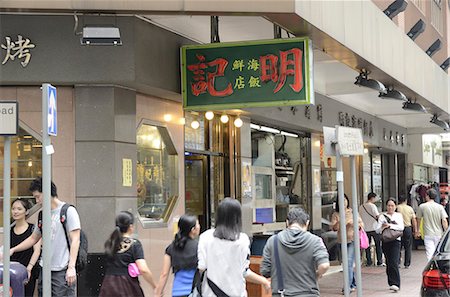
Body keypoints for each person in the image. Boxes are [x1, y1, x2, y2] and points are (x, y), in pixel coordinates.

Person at [9, 177, 81, 297]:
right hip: (45, 269)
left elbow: (75, 240)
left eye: (38, 196)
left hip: (62, 270)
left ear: (47, 193)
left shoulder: (68, 211)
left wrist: (71, 267)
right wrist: (13, 249)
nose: (37, 201)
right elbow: (33, 238)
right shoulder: (43, 214)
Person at [197, 198, 270, 296]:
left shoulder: (205, 237)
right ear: (237, 217)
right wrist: (264, 281)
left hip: (210, 293)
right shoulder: (242, 240)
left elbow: (201, 267)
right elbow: (244, 272)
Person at [260, 207, 330, 296]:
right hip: (308, 293)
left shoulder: (273, 241)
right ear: (307, 223)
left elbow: (265, 271)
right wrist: (318, 274)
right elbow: (324, 265)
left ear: (287, 222)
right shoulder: (315, 241)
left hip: (282, 294)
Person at [99, 211, 156, 296]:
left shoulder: (110, 243)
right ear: (131, 227)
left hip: (108, 285)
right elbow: (143, 269)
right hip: (127, 285)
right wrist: (155, 286)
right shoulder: (135, 244)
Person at [155, 214, 200, 297]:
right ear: (193, 229)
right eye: (197, 224)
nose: (199, 226)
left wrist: (158, 293)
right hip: (195, 291)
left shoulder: (171, 248)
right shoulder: (199, 246)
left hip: (177, 292)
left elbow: (164, 274)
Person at [331, 194, 363, 294]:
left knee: (348, 262)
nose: (344, 202)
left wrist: (355, 225)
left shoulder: (353, 212)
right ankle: (352, 283)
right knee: (347, 264)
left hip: (353, 240)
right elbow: (334, 228)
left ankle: (347, 286)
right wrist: (342, 222)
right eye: (341, 200)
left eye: (345, 200)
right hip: (342, 241)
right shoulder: (336, 214)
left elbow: (361, 224)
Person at [10, 198, 41, 297]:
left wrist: (29, 269)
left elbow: (37, 251)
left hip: (28, 272)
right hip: (12, 273)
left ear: (26, 211)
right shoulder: (9, 230)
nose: (15, 211)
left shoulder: (33, 229)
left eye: (19, 209)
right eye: (13, 209)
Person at [376, 198, 404, 292]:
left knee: (394, 262)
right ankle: (391, 282)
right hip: (386, 241)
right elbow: (377, 230)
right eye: (389, 205)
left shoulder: (398, 215)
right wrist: (382, 227)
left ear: (395, 206)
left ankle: (396, 283)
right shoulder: (382, 216)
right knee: (388, 262)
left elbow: (401, 227)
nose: (390, 207)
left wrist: (390, 225)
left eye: (392, 205)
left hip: (396, 240)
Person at [416, 189, 449, 260]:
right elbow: (444, 220)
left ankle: (430, 267)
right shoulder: (440, 207)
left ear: (427, 196)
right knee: (438, 252)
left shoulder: (422, 206)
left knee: (429, 253)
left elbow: (418, 219)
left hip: (428, 234)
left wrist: (417, 230)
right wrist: (446, 232)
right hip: (439, 234)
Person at [358, 192, 384, 267]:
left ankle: (369, 261)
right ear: (372, 198)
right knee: (378, 245)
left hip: (365, 229)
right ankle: (379, 261)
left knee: (367, 246)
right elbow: (377, 216)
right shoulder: (372, 206)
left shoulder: (361, 206)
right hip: (374, 228)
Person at [396, 195, 417, 269]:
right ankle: (407, 263)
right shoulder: (410, 208)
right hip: (408, 228)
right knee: (408, 246)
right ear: (406, 200)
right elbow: (414, 220)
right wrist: (415, 230)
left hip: (398, 228)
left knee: (398, 246)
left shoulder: (397, 208)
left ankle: (398, 262)